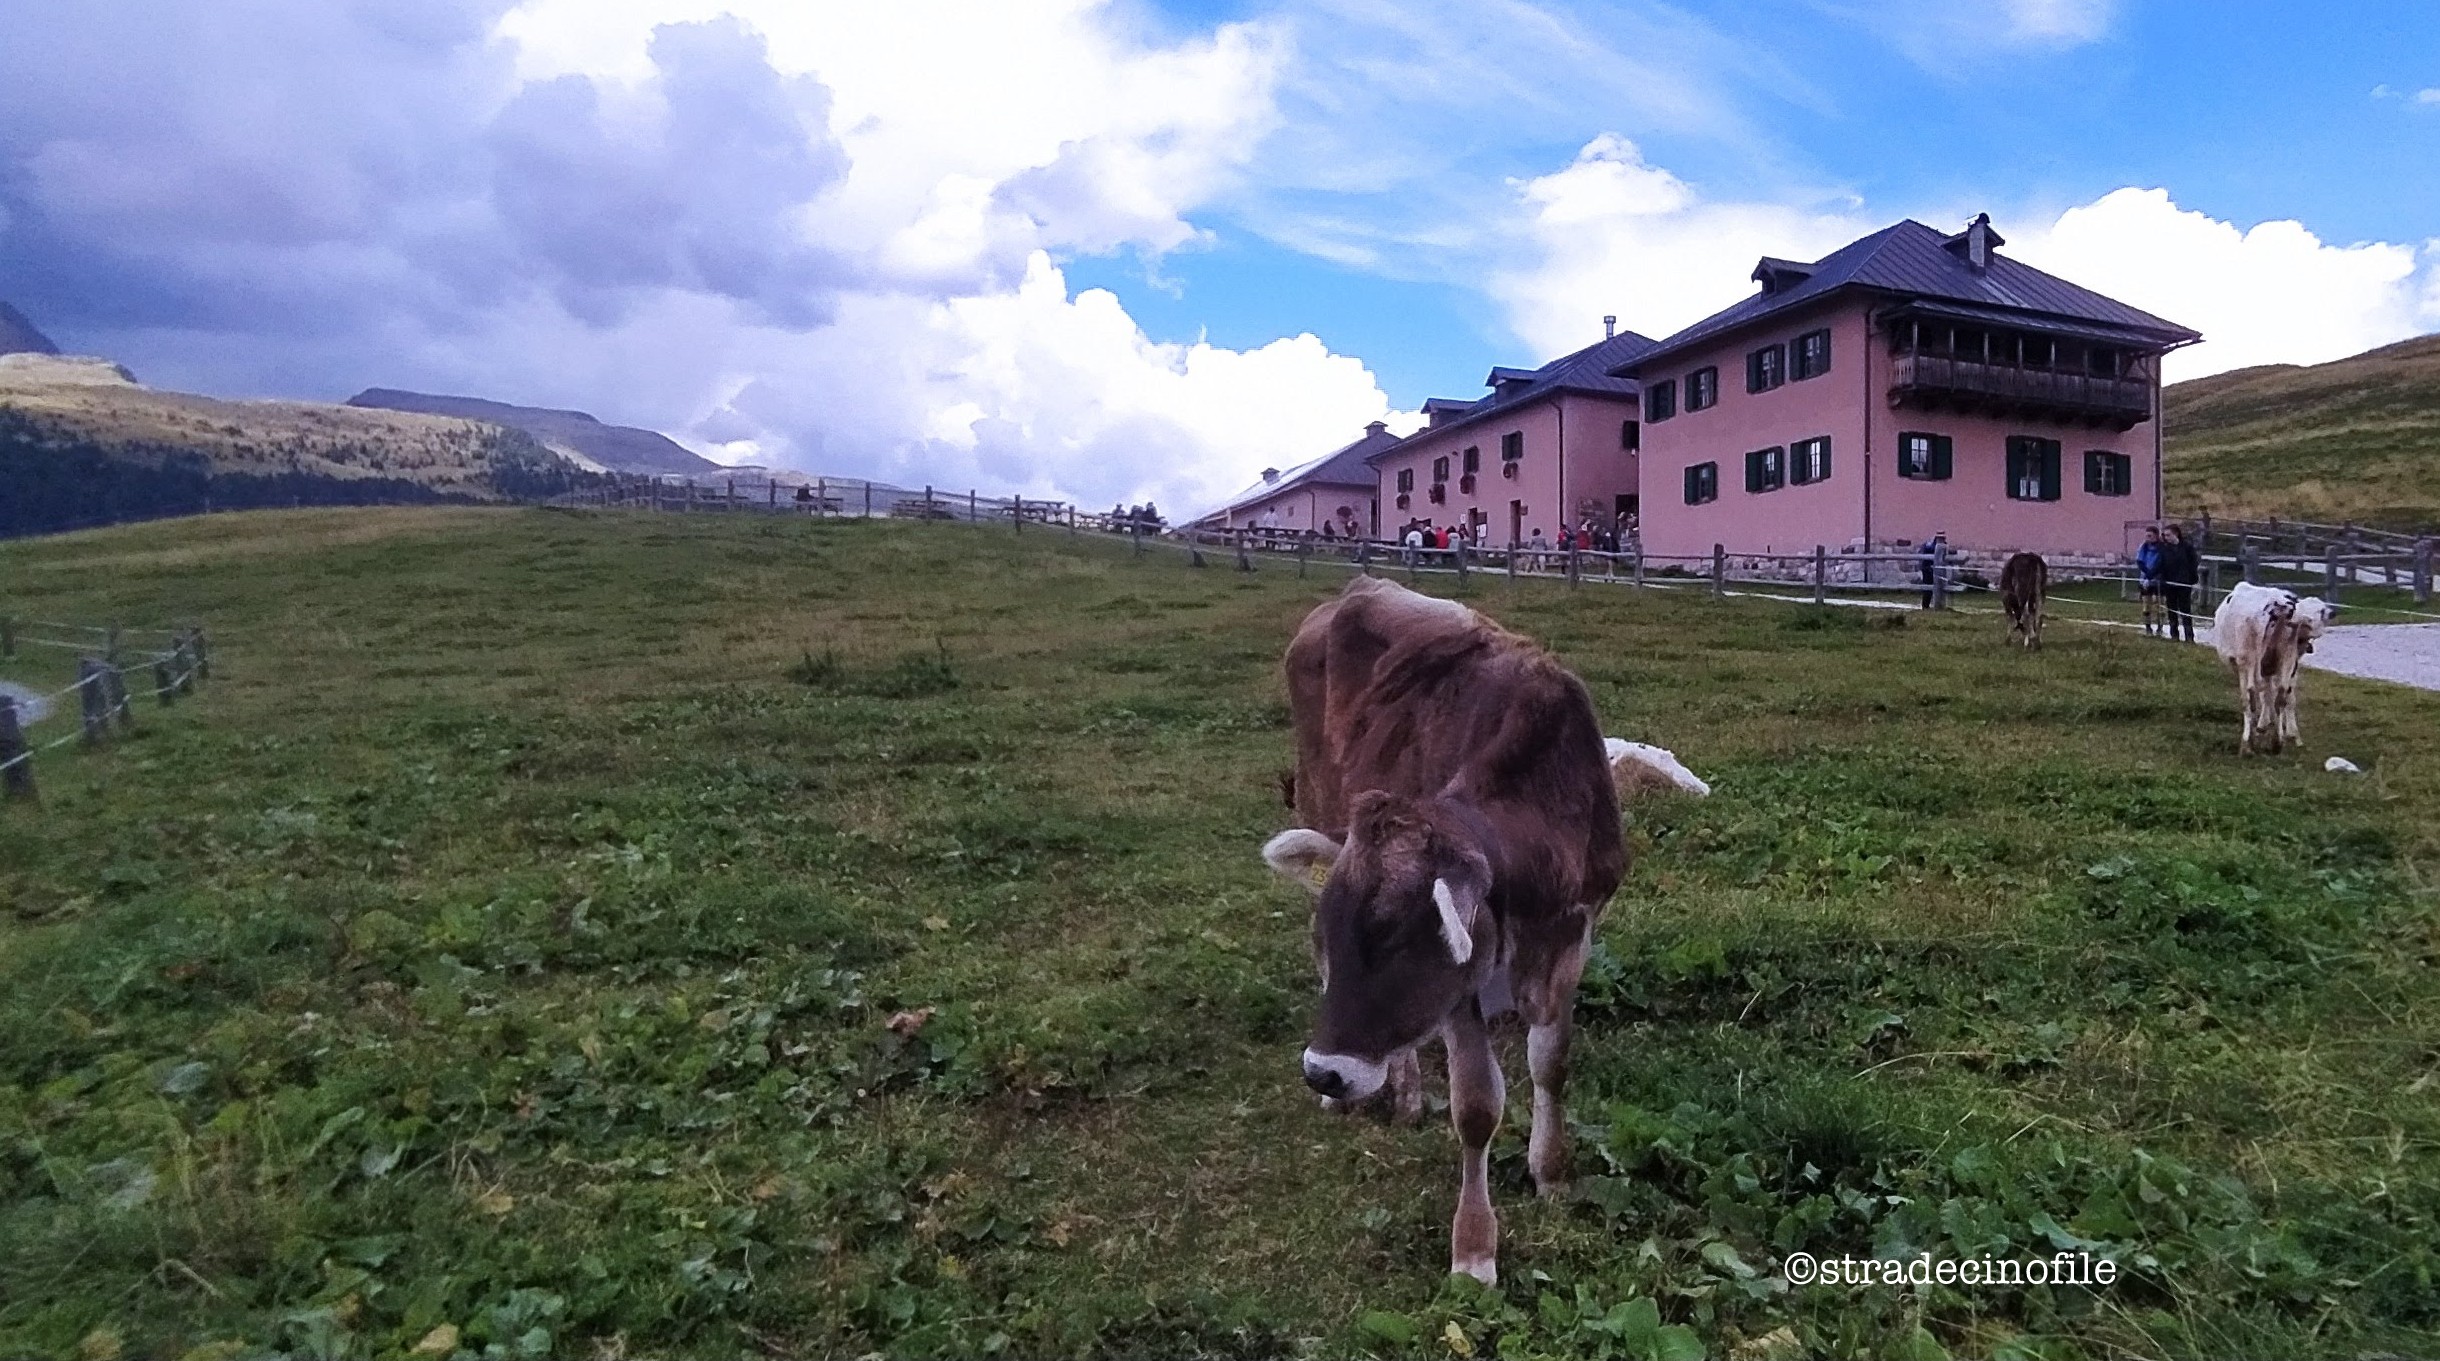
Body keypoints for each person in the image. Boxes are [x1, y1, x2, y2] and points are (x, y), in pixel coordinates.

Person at [2158, 524, 2200, 642]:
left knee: (2185, 610)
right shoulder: (2164, 549)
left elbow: (2193, 563)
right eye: (2165, 535)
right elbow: (2162, 565)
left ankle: (2189, 636)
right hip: (2169, 584)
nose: (2166, 538)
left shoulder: (2187, 548)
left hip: (2184, 583)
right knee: (2171, 609)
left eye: (2168, 535)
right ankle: (2174, 634)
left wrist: (2191, 579)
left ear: (2176, 534)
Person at [2135, 525, 2166, 636]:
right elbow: (2139, 561)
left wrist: (2154, 574)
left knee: (2160, 604)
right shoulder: (2143, 547)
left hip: (2159, 579)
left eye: (2150, 536)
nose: (2147, 538)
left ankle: (2160, 627)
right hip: (2145, 579)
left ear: (2156, 536)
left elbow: (2161, 562)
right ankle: (2148, 628)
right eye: (2146, 536)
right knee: (2146, 604)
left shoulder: (2162, 547)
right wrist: (2148, 575)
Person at [1917, 531, 1948, 608]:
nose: (1941, 540)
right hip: (1928, 568)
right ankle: (1925, 605)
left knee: (1939, 586)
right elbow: (1926, 551)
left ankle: (1938, 605)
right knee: (1928, 587)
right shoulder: (1930, 545)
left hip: (1938, 569)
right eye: (1940, 538)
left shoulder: (1942, 545)